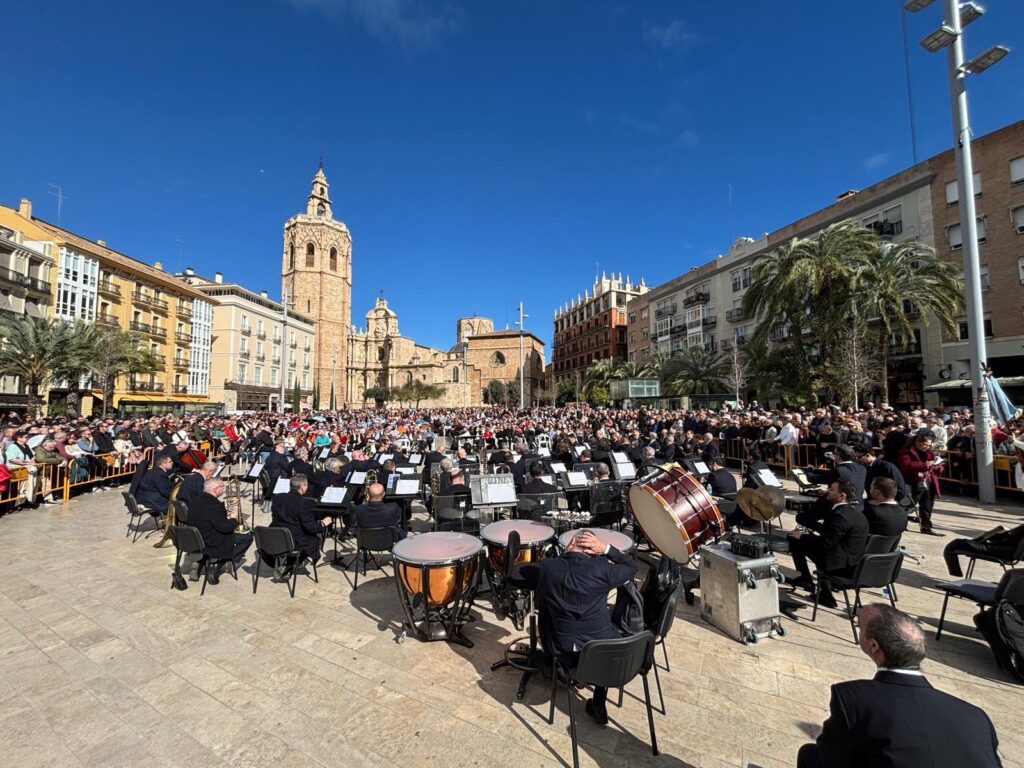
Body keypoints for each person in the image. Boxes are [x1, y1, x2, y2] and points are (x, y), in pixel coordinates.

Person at [797, 603, 1003, 768]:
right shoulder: (976, 716)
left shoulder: (852, 699)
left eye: (860, 628)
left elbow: (831, 758)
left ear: (874, 646)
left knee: (809, 754)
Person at [530, 530, 638, 726]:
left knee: (546, 613)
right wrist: (605, 548)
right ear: (592, 551)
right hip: (605, 653)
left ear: (570, 543)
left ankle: (552, 663)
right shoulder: (603, 568)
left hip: (564, 648)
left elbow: (539, 595)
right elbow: (631, 566)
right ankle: (598, 703)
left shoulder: (549, 567)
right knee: (603, 641)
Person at [788, 479, 869, 608]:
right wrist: (812, 526)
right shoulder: (857, 514)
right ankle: (820, 589)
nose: (828, 492)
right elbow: (834, 533)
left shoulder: (838, 516)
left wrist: (803, 536)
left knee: (794, 538)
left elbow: (826, 544)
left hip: (838, 564)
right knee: (804, 540)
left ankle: (810, 582)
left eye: (832, 490)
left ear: (842, 496)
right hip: (853, 560)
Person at [188, 477, 254, 584]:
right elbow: (226, 528)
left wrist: (223, 516)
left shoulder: (195, 500)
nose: (223, 490)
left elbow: (208, 517)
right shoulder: (215, 505)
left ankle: (201, 561)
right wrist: (233, 519)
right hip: (212, 541)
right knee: (247, 538)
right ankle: (220, 562)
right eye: (222, 487)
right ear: (215, 489)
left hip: (196, 539)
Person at [271, 474, 332, 567]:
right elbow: (311, 528)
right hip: (293, 540)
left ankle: (292, 562)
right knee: (316, 538)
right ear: (302, 487)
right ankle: (293, 563)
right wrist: (323, 523)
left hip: (276, 536)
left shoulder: (277, 498)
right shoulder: (303, 503)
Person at [898, 431, 944, 536]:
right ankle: (901, 524)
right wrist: (924, 465)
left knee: (927, 506)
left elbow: (935, 464)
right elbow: (906, 465)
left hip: (928, 482)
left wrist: (937, 466)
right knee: (909, 505)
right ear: (917, 442)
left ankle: (926, 527)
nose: (926, 447)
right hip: (913, 481)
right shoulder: (907, 451)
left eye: (929, 445)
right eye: (924, 444)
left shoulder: (929, 453)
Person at [943, 522, 1024, 577]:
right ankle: (955, 572)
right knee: (959, 543)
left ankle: (955, 573)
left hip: (1000, 549)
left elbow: (1008, 539)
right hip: (1005, 550)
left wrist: (992, 536)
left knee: (956, 544)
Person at [805, 445, 867, 511]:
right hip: (859, 506)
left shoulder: (838, 470)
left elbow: (814, 479)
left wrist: (809, 470)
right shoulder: (862, 468)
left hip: (841, 507)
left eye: (835, 454)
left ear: (838, 457)